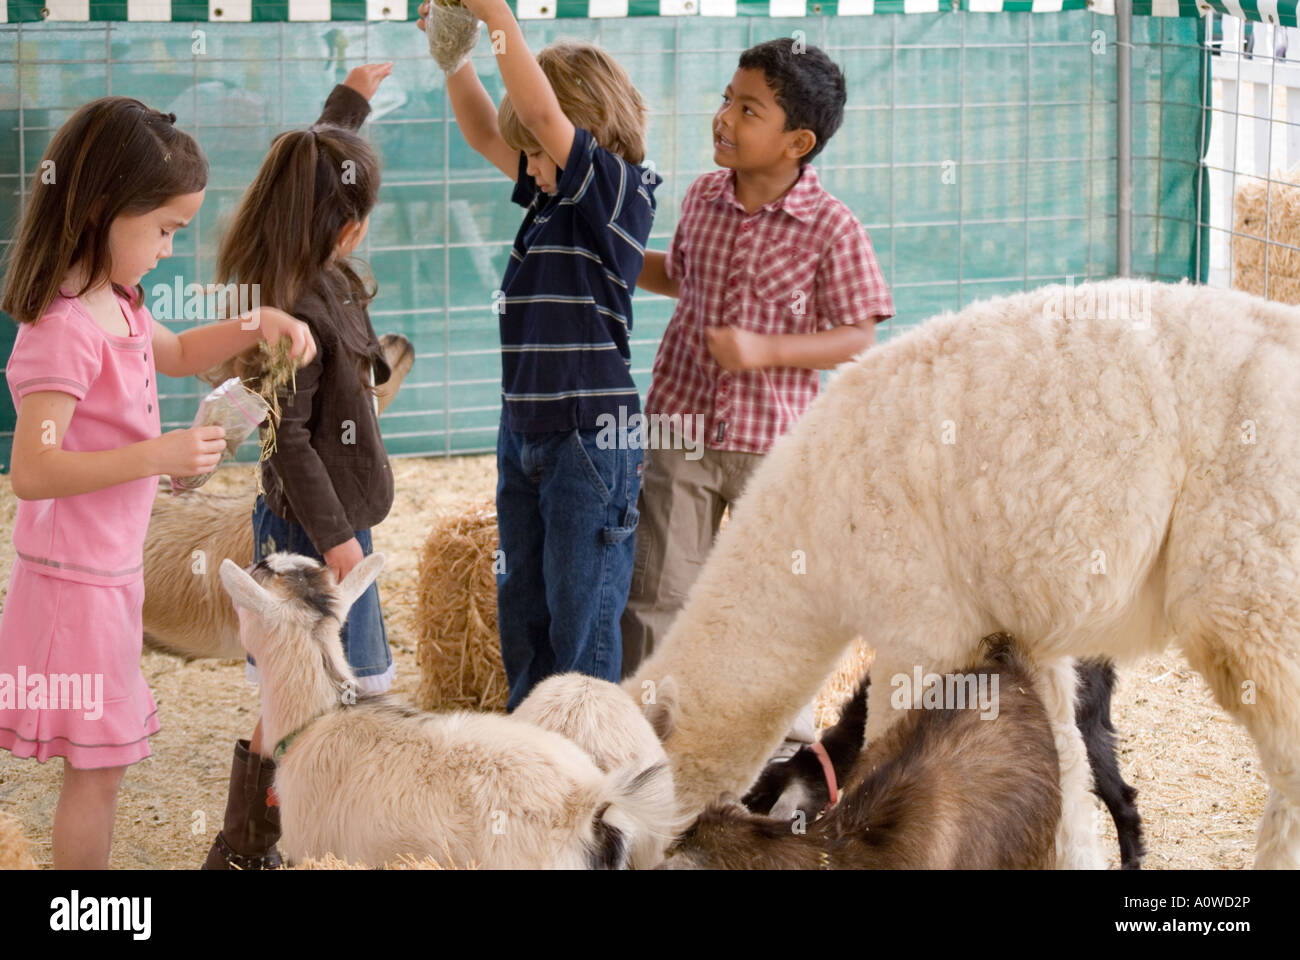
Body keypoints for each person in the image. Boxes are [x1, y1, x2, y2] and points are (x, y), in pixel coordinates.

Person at [0, 97, 312, 869]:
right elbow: (31, 472)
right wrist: (156, 455)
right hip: (73, 586)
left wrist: (256, 322)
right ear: (103, 208)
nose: (171, 249)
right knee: (96, 772)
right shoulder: (62, 329)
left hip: (106, 574)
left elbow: (175, 354)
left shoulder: (121, 305)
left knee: (100, 769)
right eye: (165, 229)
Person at [621, 39, 894, 749]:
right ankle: (646, 735)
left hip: (773, 445)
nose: (724, 118)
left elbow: (857, 333)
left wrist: (765, 351)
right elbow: (682, 275)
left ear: (797, 141)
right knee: (658, 590)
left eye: (748, 109)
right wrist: (610, 260)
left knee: (772, 597)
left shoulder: (832, 228)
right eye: (725, 100)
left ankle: (775, 735)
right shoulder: (703, 199)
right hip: (680, 427)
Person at [420, 2, 659, 710]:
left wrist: (497, 14)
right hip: (524, 429)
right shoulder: (551, 195)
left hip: (588, 435)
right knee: (523, 608)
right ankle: (535, 754)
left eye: (536, 149)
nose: (523, 164)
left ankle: (591, 773)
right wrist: (450, 47)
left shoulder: (614, 190)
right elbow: (486, 128)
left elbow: (540, 117)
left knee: (581, 619)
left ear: (584, 129)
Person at [200, 62, 399, 870]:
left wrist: (349, 99)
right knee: (314, 694)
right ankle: (250, 846)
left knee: (306, 691)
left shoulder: (297, 262)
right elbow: (290, 442)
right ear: (342, 228)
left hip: (325, 522)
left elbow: (308, 167)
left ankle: (255, 845)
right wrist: (340, 541)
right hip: (315, 534)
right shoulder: (302, 306)